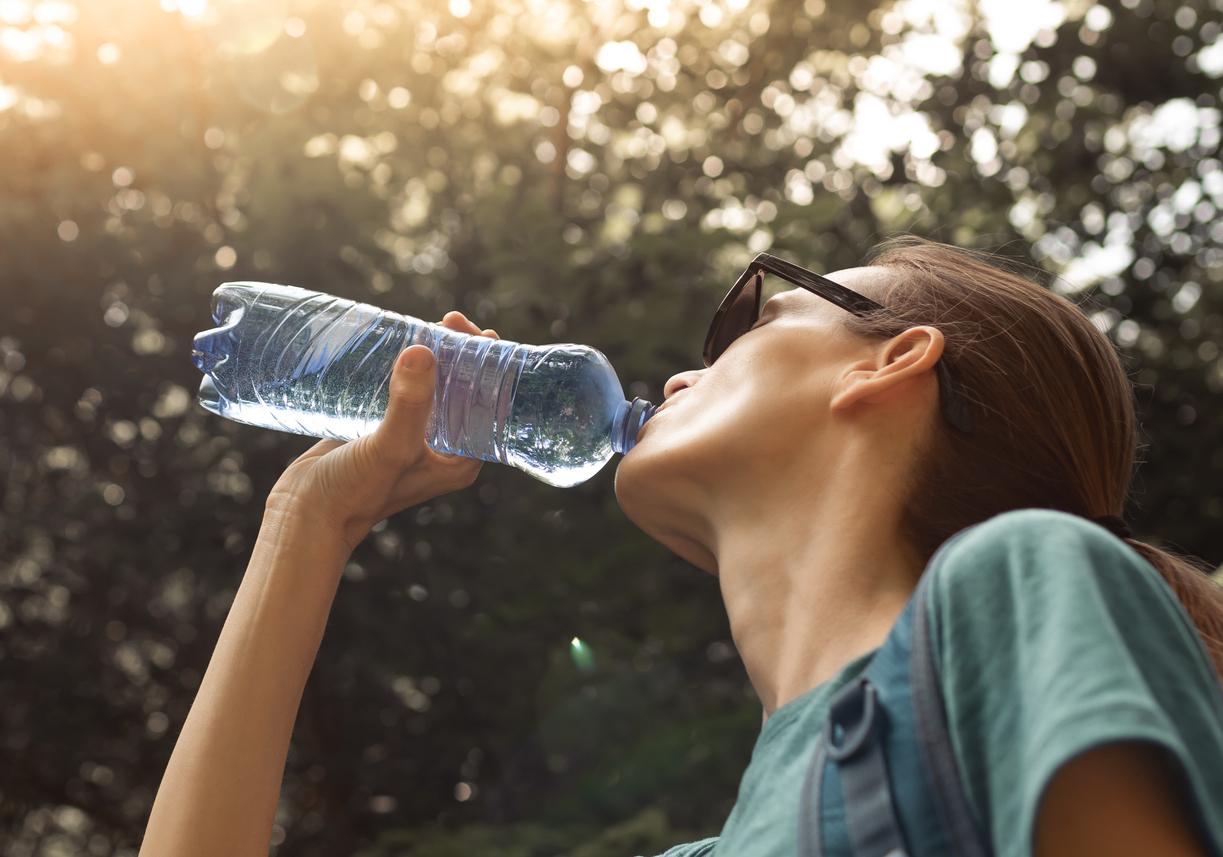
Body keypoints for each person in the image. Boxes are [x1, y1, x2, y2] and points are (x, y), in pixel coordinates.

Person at [139, 236, 1223, 857]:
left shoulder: (1018, 587)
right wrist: (308, 525)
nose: (673, 377)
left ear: (886, 363)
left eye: (751, 320)